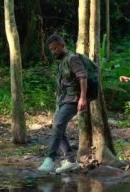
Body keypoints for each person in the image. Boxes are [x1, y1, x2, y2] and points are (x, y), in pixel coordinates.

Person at [38, 34, 88, 173]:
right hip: (63, 100)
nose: (54, 51)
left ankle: (50, 159)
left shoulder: (73, 58)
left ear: (62, 45)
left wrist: (82, 98)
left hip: (73, 100)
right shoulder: (61, 61)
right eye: (51, 49)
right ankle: (71, 160)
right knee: (57, 126)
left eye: (55, 48)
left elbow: (82, 77)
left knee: (58, 125)